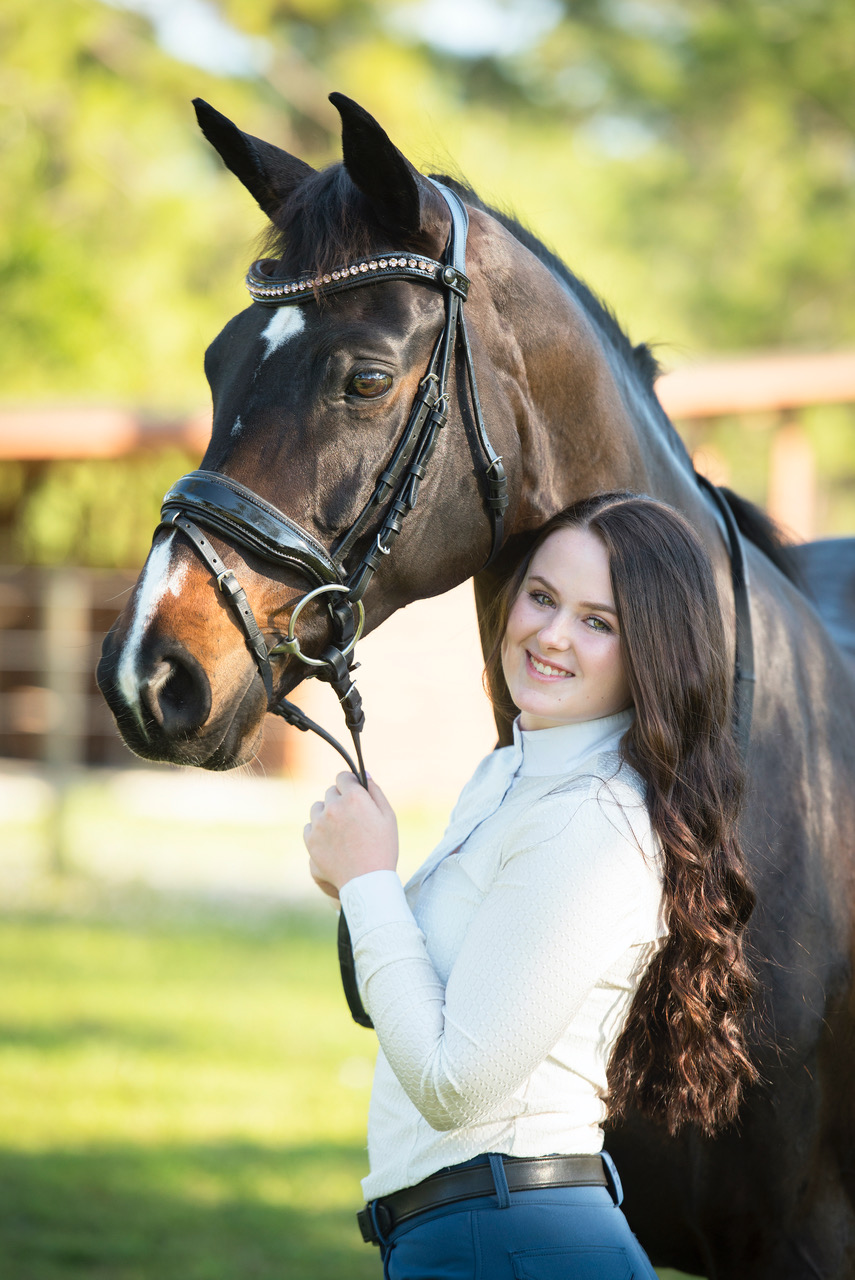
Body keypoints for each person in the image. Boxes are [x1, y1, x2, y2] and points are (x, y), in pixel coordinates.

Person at [303, 491, 757, 1279]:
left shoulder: (586, 818)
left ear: (652, 651)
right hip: (472, 1234)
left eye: (597, 621)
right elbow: (426, 1005)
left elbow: (456, 1087)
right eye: (542, 597)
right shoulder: (515, 776)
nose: (550, 635)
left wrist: (371, 881)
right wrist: (357, 883)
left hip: (509, 1239)